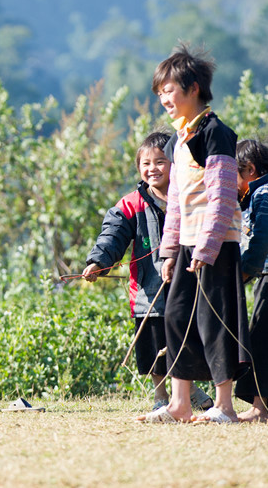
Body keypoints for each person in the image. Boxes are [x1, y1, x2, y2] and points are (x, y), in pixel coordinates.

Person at [137, 43, 250, 423]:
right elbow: (177, 204)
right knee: (176, 315)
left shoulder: (215, 133)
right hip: (188, 244)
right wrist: (169, 253)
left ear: (194, 89)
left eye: (169, 90)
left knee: (215, 320)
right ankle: (179, 403)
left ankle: (225, 406)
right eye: (160, 93)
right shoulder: (177, 139)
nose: (164, 98)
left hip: (215, 244)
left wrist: (208, 246)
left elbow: (220, 195)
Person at [83, 132, 213, 412]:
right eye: (146, 163)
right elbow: (112, 235)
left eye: (160, 161)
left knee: (186, 340)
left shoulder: (191, 197)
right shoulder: (131, 203)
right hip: (148, 289)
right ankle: (160, 397)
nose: (152, 168)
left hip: (188, 282)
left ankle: (188, 389)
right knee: (154, 347)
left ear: (176, 164)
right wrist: (98, 262)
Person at [233, 139, 268, 422]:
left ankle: (260, 408)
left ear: (250, 170)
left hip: (267, 275)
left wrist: (247, 270)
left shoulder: (263, 195)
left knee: (260, 338)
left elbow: (260, 241)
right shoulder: (255, 195)